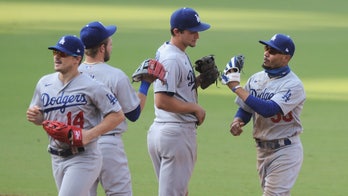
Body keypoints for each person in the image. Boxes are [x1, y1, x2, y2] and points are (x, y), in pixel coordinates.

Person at [26, 35, 125, 196]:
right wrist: (36, 117)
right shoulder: (44, 83)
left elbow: (117, 115)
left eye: (63, 54)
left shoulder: (92, 86)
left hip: (84, 157)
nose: (57, 57)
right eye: (55, 53)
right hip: (56, 156)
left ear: (77, 59)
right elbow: (41, 117)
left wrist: (89, 134)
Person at [79, 21, 154, 196]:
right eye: (110, 42)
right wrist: (145, 84)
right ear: (102, 48)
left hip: (80, 145)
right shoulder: (115, 75)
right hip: (107, 144)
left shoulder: (72, 74)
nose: (112, 46)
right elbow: (133, 113)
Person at [224, 34, 305, 195]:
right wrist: (238, 120)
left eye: (273, 51)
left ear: (286, 58)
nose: (266, 53)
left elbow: (268, 109)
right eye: (266, 48)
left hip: (285, 151)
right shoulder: (256, 79)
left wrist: (236, 87)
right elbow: (246, 108)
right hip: (262, 151)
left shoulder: (293, 85)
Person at [147, 7, 210, 196]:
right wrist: (194, 107)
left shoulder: (169, 49)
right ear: (177, 31)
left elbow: (174, 88)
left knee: (179, 192)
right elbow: (162, 100)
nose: (197, 36)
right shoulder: (172, 58)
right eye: (192, 31)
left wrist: (196, 81)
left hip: (164, 131)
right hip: (176, 134)